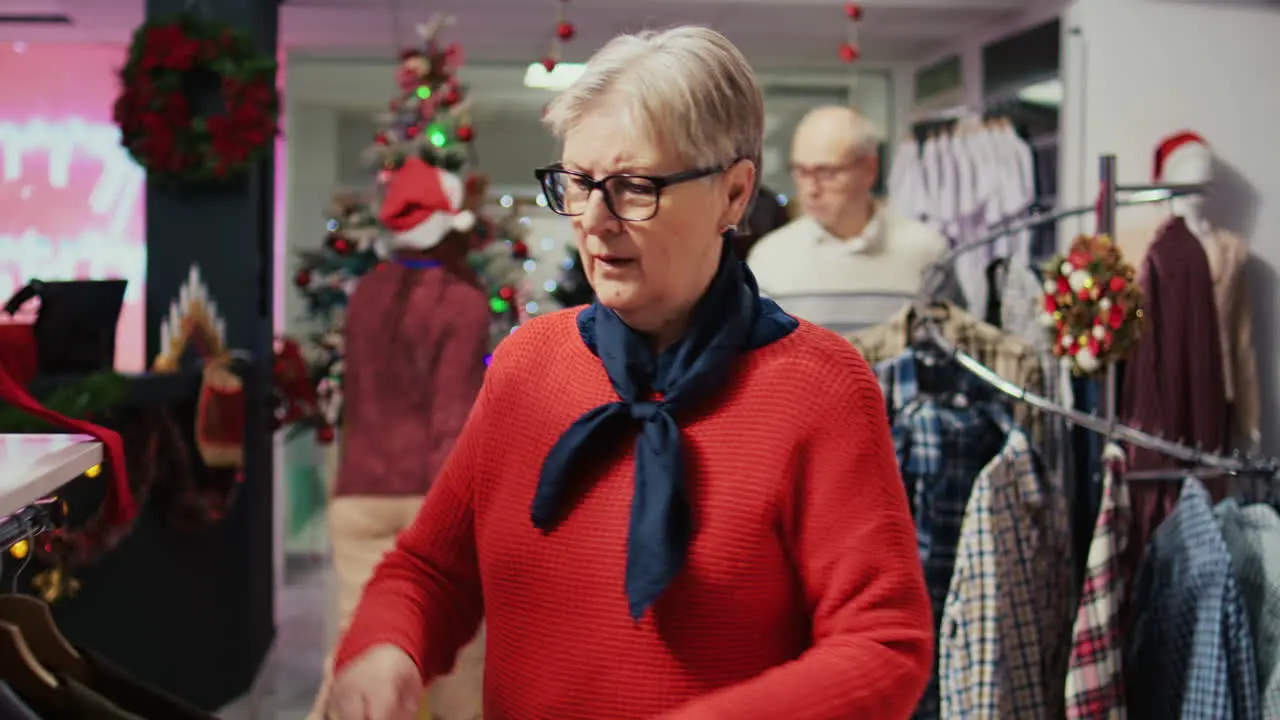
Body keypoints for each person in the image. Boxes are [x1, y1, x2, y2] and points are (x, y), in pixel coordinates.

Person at [326, 26, 933, 720]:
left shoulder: (820, 386)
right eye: (578, 183)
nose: (593, 220)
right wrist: (386, 651)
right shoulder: (529, 365)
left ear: (734, 195)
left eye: (634, 187)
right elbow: (428, 572)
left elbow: (884, 646)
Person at [310, 157, 490, 720]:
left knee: (357, 653)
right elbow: (451, 416)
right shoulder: (463, 302)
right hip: (429, 497)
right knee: (457, 661)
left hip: (358, 491)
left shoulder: (365, 294)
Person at [748, 107, 953, 334]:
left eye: (827, 173)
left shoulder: (926, 251)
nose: (811, 188)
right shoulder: (770, 258)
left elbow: (953, 347)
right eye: (800, 171)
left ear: (869, 169)